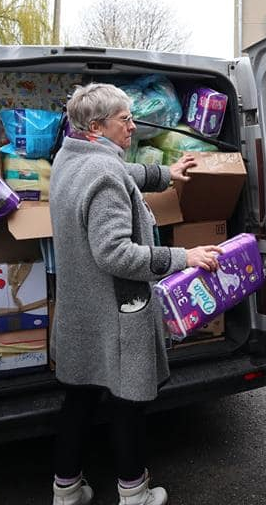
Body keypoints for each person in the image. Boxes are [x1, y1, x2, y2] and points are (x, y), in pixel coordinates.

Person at [48, 83, 222, 505]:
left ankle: (66, 491)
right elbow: (115, 253)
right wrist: (184, 257)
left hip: (80, 308)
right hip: (117, 310)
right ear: (96, 127)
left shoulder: (70, 157)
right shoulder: (104, 173)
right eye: (125, 119)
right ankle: (134, 493)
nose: (132, 126)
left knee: (80, 398)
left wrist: (166, 173)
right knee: (127, 402)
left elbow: (120, 174)